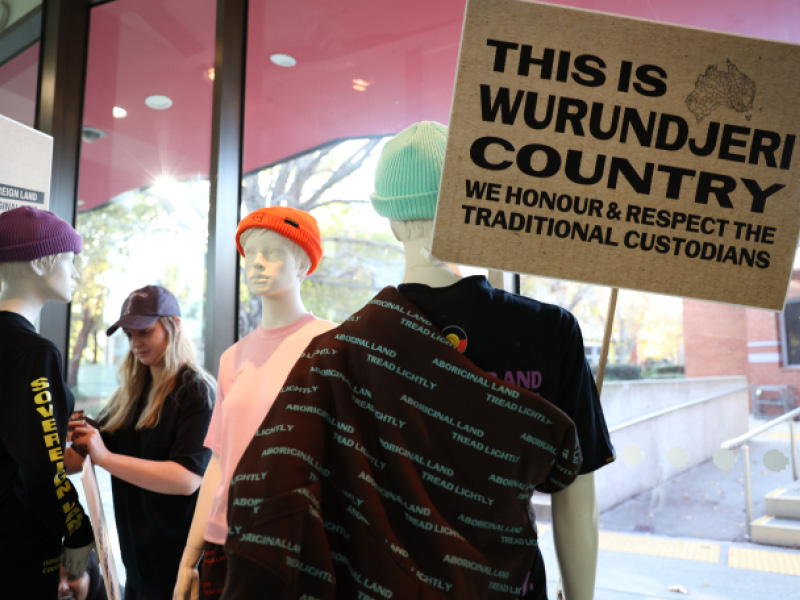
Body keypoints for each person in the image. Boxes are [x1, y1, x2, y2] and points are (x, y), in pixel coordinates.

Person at [376, 122, 616, 600]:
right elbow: (577, 503)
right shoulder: (551, 331)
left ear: (392, 222)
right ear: (471, 206)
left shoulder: (353, 345)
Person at [173, 207, 336, 600]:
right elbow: (218, 461)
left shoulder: (332, 345)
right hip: (225, 542)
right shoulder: (233, 358)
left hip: (297, 544)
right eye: (250, 253)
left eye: (273, 252)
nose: (256, 264)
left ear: (303, 266)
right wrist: (189, 555)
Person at [70, 284, 214, 600]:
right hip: (137, 564)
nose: (136, 344)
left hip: (181, 566)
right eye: (129, 335)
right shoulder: (130, 394)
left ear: (173, 326)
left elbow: (187, 478)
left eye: (144, 332)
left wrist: (105, 457)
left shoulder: (197, 393)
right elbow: (86, 452)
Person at [0, 206, 95, 599]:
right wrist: (78, 541)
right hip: (19, 543)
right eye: (70, 260)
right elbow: (41, 469)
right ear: (41, 263)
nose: (75, 273)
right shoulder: (35, 352)